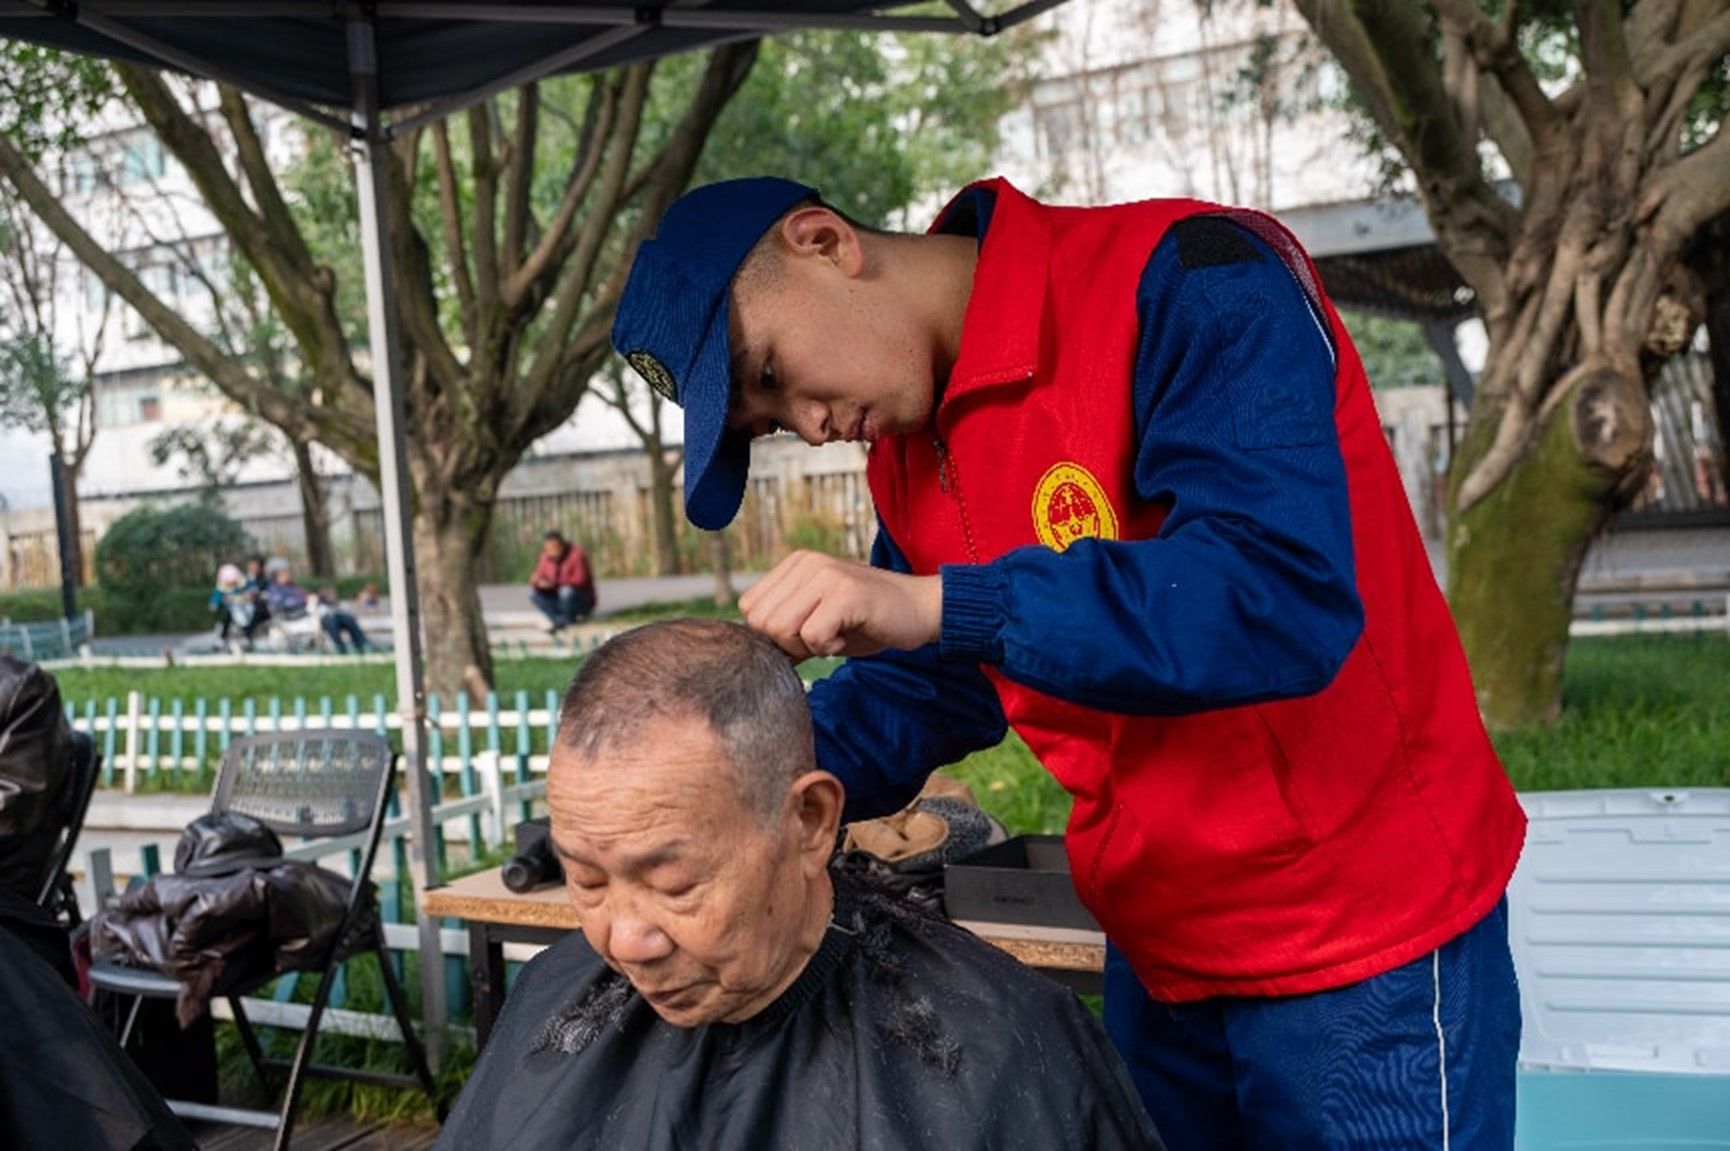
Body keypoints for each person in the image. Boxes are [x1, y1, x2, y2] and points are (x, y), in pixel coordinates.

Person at [609, 177, 1529, 1148]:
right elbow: (931, 681)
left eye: (769, 372)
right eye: (769, 423)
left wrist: (938, 601)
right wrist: (715, 787)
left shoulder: (1187, 279)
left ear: (823, 242)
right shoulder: (909, 449)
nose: (809, 424)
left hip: (1363, 937)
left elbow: (1276, 593)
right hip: (1158, 935)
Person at [435, 619, 1162, 1151]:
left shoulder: (996, 1052)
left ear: (811, 821)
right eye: (586, 879)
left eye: (675, 883)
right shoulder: (554, 998)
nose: (624, 940)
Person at [527, 530, 596, 636]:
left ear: (562, 545)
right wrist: (538, 582)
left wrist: (555, 583)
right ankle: (559, 621)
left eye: (554, 547)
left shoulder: (576, 555)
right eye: (548, 549)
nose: (551, 551)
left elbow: (580, 580)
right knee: (532, 594)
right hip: (558, 598)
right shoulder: (545, 557)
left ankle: (566, 621)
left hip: (580, 599)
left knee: (566, 591)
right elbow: (537, 576)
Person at [315, 584, 372, 654]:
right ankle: (340, 647)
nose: (330, 595)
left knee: (348, 619)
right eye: (327, 594)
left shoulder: (337, 604)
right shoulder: (319, 606)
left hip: (338, 617)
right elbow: (318, 617)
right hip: (327, 620)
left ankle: (362, 643)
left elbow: (346, 612)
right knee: (331, 620)